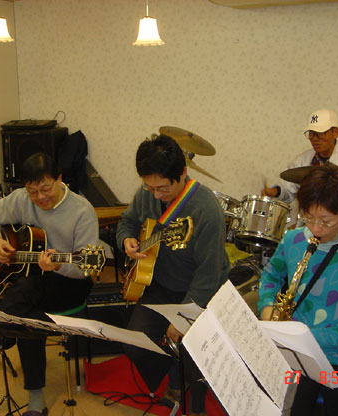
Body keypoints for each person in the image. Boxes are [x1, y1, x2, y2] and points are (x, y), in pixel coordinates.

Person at [0, 152, 99, 416]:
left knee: (22, 291)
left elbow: (86, 269)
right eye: (32, 191)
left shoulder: (82, 211)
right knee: (26, 315)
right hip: (33, 282)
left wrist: (59, 265)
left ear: (59, 179)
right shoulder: (22, 199)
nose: (40, 197)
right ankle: (36, 403)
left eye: (45, 188)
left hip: (71, 282)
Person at [258, 166, 338, 416]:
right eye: (308, 217)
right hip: (299, 362)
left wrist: (306, 337)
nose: (316, 229)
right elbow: (271, 275)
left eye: (326, 221)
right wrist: (267, 307)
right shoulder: (294, 240)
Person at [116, 134, 230, 416]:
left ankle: (192, 390)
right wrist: (126, 239)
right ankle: (173, 373)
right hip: (160, 285)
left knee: (191, 350)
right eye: (150, 187)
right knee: (133, 342)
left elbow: (209, 274)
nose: (156, 194)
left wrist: (182, 316)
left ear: (183, 173)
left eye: (163, 188)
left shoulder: (206, 209)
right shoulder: (147, 193)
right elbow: (127, 221)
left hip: (200, 291)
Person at [261, 108, 338, 219]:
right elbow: (288, 190)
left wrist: (332, 213)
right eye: (311, 134)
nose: (314, 139)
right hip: (308, 226)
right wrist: (275, 192)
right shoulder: (301, 161)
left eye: (320, 133)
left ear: (335, 132)